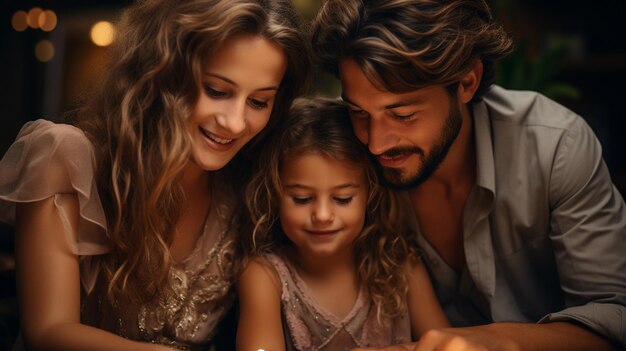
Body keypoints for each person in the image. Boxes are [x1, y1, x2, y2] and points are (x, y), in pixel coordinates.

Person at [310, 0, 626, 350]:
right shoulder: (341, 163)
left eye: (402, 115)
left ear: (466, 82)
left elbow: (615, 319)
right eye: (358, 112)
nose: (375, 143)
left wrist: (490, 341)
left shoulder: (554, 148)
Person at [0, 0, 311, 349]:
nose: (236, 122)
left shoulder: (248, 185)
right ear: (162, 74)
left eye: (258, 102)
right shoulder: (68, 160)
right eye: (217, 91)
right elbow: (48, 332)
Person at [236, 98, 450, 351]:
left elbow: (446, 344)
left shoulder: (401, 266)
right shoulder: (265, 275)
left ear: (370, 195)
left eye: (342, 199)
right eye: (302, 199)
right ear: (273, 194)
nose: (323, 215)